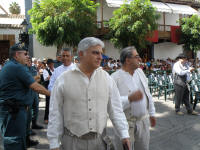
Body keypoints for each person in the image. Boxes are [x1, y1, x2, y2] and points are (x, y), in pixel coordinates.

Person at [47, 37, 131, 150]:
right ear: (81, 54)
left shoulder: (106, 78)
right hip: (72, 143)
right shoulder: (63, 79)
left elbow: (116, 109)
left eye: (101, 53)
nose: (100, 57)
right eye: (95, 53)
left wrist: (124, 134)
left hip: (100, 142)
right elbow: (55, 113)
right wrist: (54, 143)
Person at [0, 43, 50, 150]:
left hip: (13, 111)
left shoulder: (12, 66)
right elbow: (35, 86)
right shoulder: (16, 67)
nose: (28, 56)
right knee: (14, 142)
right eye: (25, 54)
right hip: (13, 112)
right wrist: (54, 94)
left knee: (17, 141)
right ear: (17, 55)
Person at [111, 46, 156, 150]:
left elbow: (147, 93)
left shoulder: (140, 72)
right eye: (137, 56)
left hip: (143, 121)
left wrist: (152, 113)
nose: (140, 59)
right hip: (125, 124)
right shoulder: (114, 78)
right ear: (127, 60)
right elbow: (112, 105)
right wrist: (129, 98)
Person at [43, 58, 54, 124]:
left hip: (54, 89)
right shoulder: (45, 70)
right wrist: (51, 77)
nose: (52, 65)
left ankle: (52, 118)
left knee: (54, 104)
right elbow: (46, 79)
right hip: (48, 89)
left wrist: (51, 76)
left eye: (53, 64)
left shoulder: (55, 70)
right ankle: (46, 118)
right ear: (48, 64)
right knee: (48, 104)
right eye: (51, 64)